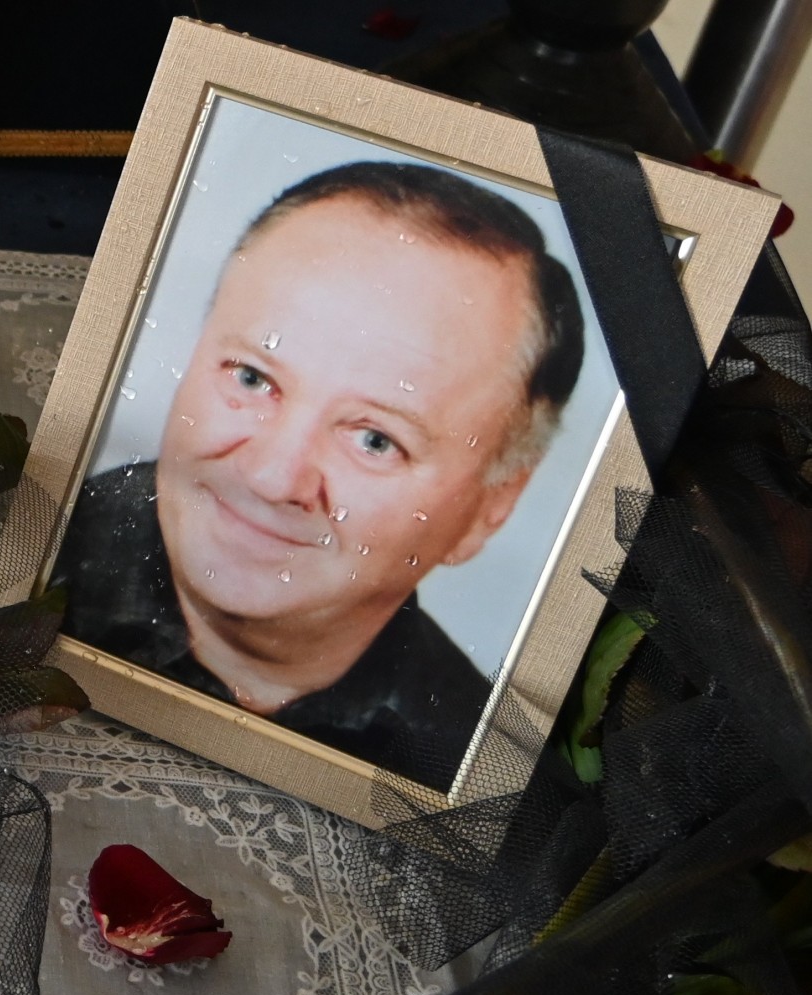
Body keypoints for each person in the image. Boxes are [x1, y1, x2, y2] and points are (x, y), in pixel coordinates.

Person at [53, 161, 584, 789]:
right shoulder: (15, 555)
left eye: (375, 440)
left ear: (491, 507)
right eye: (253, 378)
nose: (272, 478)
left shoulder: (471, 774)